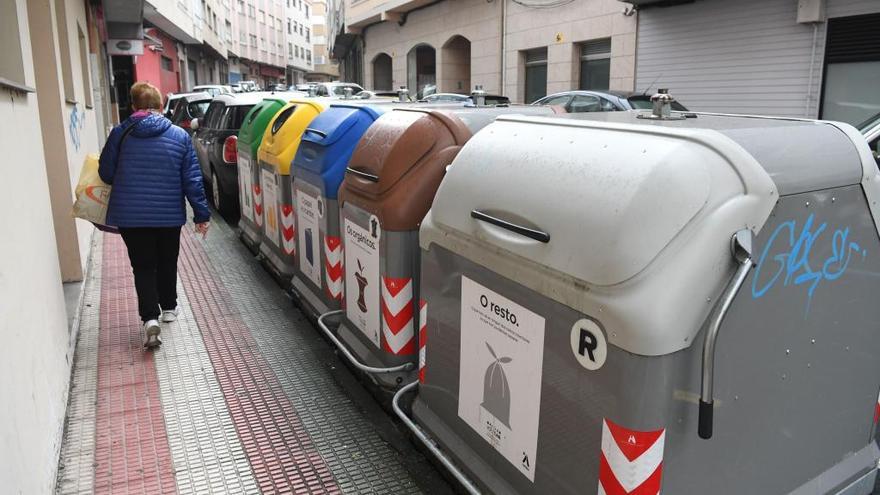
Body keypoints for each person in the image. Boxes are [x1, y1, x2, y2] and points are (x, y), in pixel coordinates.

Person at [99, 81, 211, 348]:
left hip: (131, 216)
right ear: (161, 106)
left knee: (143, 265)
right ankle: (169, 308)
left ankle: (150, 318)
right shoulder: (180, 136)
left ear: (134, 106)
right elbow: (192, 180)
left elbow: (105, 173)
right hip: (168, 215)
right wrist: (201, 214)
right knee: (167, 259)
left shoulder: (119, 134)